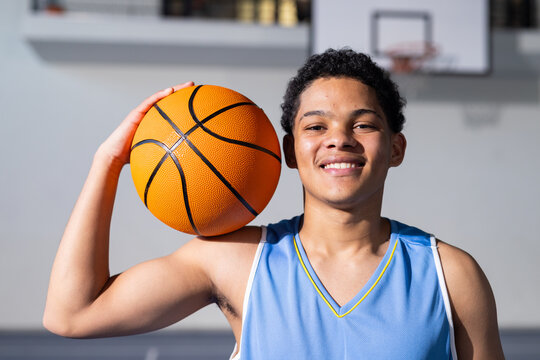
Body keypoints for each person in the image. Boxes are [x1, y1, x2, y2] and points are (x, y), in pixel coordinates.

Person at [43, 49, 505, 359]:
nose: (339, 140)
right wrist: (109, 161)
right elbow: (71, 313)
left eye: (362, 125)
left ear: (397, 148)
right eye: (316, 126)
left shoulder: (451, 275)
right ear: (288, 150)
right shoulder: (235, 261)